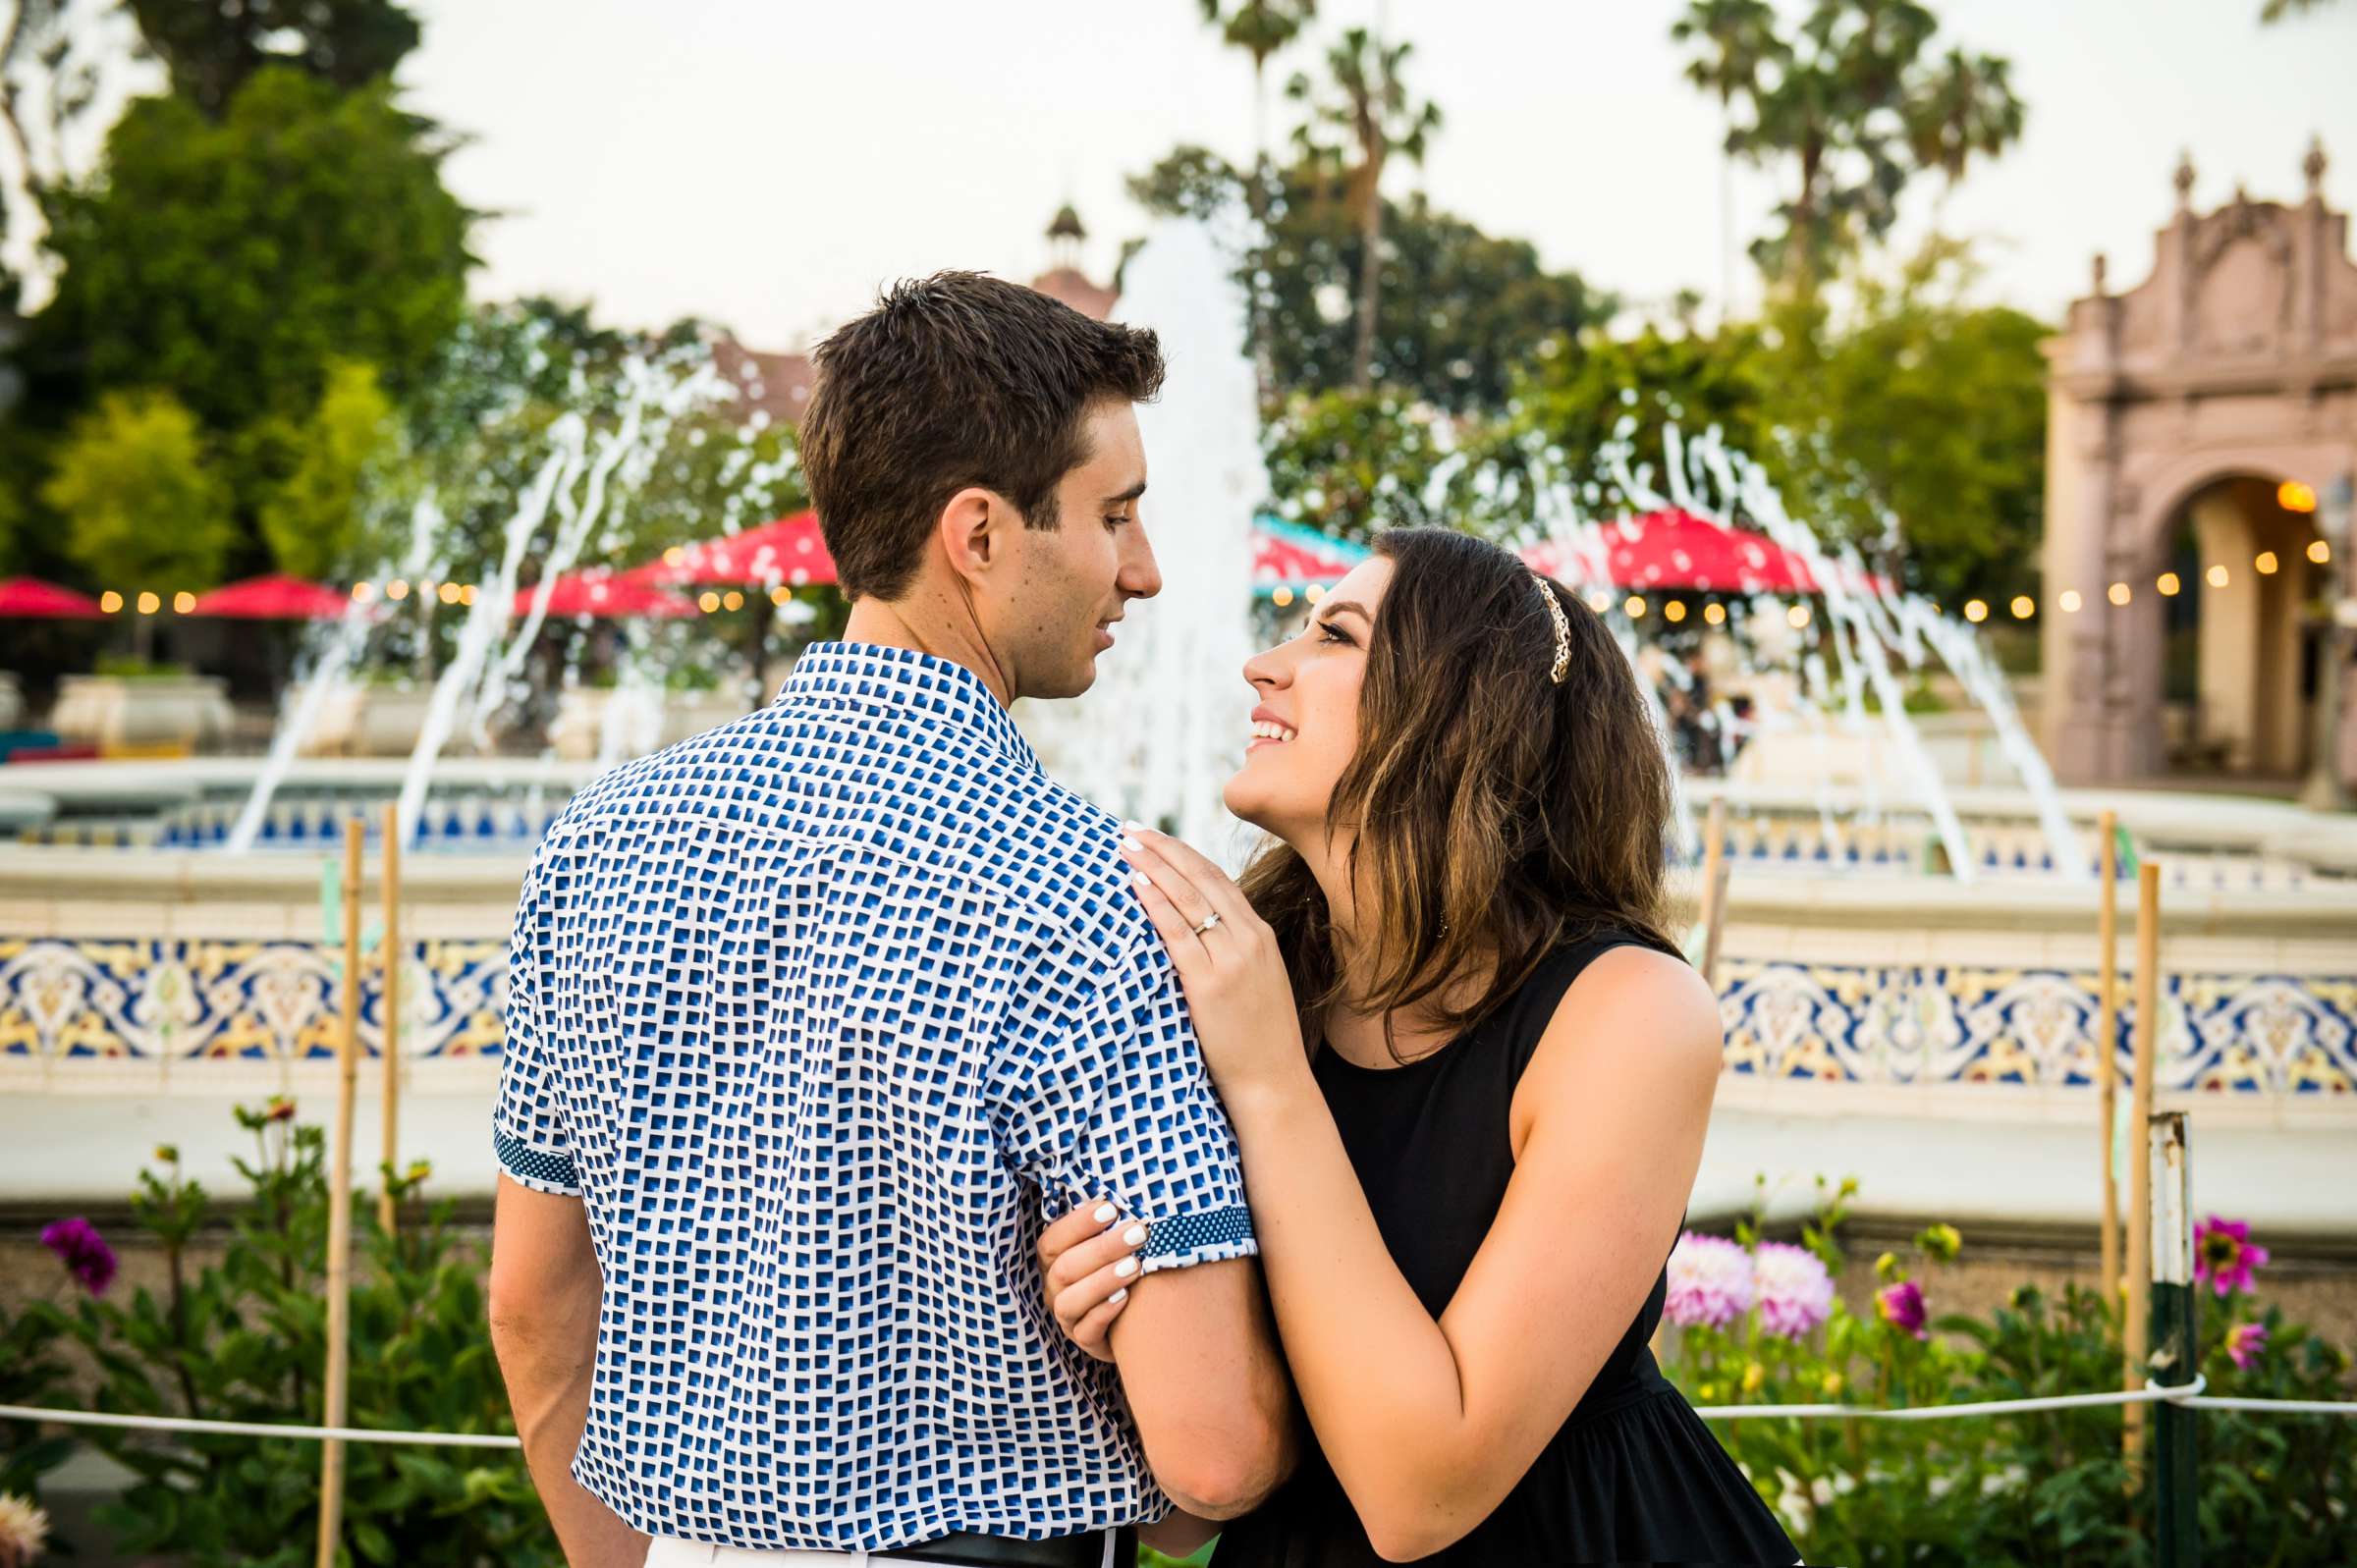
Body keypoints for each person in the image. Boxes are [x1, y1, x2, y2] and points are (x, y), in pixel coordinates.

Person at [486, 271, 1294, 1568]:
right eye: (1116, 515)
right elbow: (1213, 1457)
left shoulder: (599, 843)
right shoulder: (1088, 896)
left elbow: (534, 1304)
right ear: (976, 536)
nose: (1145, 572)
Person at [1040, 527, 1800, 1564]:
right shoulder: (1249, 987)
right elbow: (1189, 1518)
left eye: (1334, 636)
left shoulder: (1625, 1011)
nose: (1265, 666)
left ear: (1455, 712)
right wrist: (1118, 1334)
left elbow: (1422, 1494)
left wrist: (1267, 1080)